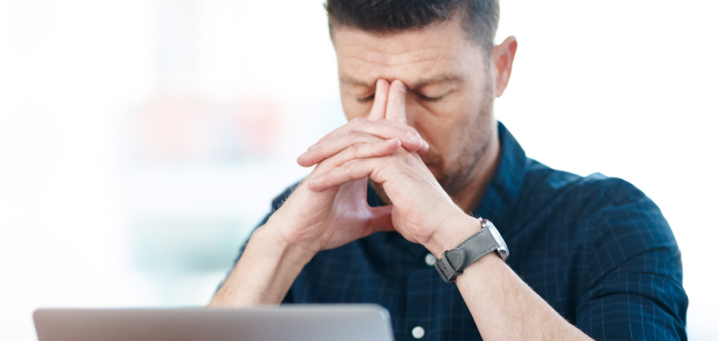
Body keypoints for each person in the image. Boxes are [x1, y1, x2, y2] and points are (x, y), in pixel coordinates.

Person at [209, 0, 688, 340]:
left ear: (500, 68)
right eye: (361, 93)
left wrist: (453, 235)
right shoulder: (306, 222)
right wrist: (280, 247)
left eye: (432, 93)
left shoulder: (611, 225)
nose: (393, 127)